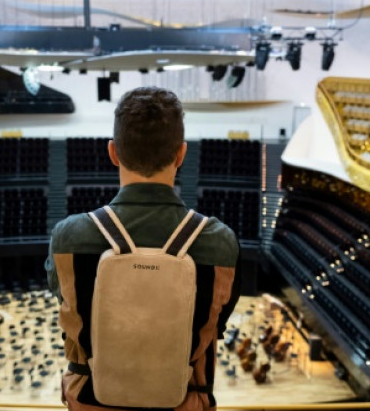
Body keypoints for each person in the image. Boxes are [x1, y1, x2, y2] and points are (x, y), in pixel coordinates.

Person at [45, 87, 241, 411]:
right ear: (181, 154)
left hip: (91, 403)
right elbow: (215, 326)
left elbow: (67, 305)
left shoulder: (67, 237)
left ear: (113, 152)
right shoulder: (220, 242)